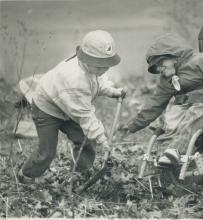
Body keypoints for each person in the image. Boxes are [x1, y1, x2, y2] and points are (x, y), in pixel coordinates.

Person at [18, 30, 126, 183]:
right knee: (47, 152)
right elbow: (84, 115)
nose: (104, 69)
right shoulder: (73, 79)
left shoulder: (90, 68)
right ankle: (26, 176)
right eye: (100, 66)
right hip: (47, 109)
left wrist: (111, 91)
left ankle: (80, 173)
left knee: (85, 139)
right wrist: (103, 139)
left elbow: (96, 82)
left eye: (106, 65)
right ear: (86, 59)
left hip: (68, 106)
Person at [121, 33, 203, 165]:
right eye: (156, 68)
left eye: (160, 63)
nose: (159, 69)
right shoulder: (167, 79)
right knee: (169, 121)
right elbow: (155, 103)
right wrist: (133, 125)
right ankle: (165, 153)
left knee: (193, 114)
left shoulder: (202, 61)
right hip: (186, 107)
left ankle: (176, 149)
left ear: (174, 57)